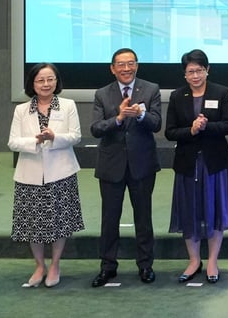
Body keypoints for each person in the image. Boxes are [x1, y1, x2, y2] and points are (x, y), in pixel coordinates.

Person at [7, 63, 84, 288]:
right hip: (29, 174)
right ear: (32, 83)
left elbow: (76, 136)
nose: (46, 84)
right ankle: (39, 265)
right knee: (33, 224)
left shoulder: (68, 105)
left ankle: (55, 265)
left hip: (61, 172)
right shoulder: (22, 110)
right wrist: (35, 141)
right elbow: (12, 142)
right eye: (40, 80)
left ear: (57, 82)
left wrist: (54, 137)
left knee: (60, 222)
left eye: (50, 79)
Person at [164, 49, 228, 284]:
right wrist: (192, 130)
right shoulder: (177, 96)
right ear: (184, 74)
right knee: (190, 210)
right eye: (190, 72)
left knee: (215, 209)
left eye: (199, 70)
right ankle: (194, 259)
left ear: (208, 70)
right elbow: (170, 132)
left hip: (214, 162)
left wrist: (206, 126)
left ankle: (213, 260)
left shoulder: (221, 92)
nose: (195, 76)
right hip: (187, 162)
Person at [90, 48, 162, 287]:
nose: (126, 68)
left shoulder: (151, 89)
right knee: (109, 219)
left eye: (130, 63)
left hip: (142, 165)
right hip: (112, 165)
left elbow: (156, 124)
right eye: (121, 64)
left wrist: (140, 115)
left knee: (143, 218)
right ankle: (108, 266)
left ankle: (145, 265)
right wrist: (119, 118)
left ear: (137, 65)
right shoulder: (102, 94)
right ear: (112, 68)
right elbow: (96, 128)